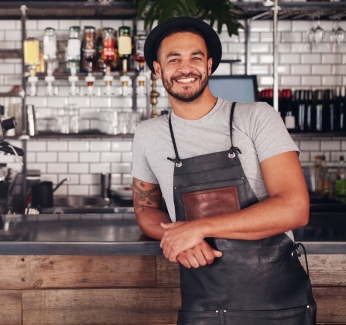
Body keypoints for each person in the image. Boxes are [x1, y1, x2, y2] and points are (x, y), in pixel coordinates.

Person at [131, 17, 316, 325]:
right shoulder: (149, 134)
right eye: (173, 59)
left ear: (210, 65)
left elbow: (295, 208)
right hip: (203, 308)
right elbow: (145, 209)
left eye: (196, 57)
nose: (186, 68)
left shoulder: (257, 117)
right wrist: (178, 236)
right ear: (158, 69)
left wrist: (197, 228)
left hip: (279, 308)